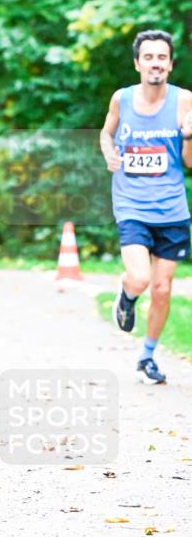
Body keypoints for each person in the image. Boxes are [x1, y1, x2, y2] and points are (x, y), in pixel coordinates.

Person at [100, 29, 192, 384]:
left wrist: (188, 136)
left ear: (170, 64)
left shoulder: (184, 102)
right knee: (140, 277)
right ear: (137, 63)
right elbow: (106, 133)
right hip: (132, 204)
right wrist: (109, 152)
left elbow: (188, 161)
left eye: (162, 58)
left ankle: (147, 356)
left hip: (172, 209)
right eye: (149, 57)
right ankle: (125, 296)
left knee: (163, 289)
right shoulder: (121, 100)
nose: (156, 64)